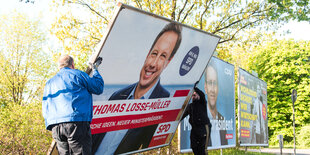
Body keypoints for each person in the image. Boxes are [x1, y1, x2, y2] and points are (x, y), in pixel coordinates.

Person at [92, 22, 182, 155]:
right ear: (147, 55)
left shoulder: (164, 102)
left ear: (168, 62)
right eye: (154, 53)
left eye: (163, 56)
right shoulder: (118, 95)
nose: (153, 64)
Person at [42, 55, 104, 155]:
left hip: (56, 126)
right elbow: (98, 87)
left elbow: (45, 106)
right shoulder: (77, 75)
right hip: (75, 123)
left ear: (59, 66)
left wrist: (51, 124)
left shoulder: (49, 83)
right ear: (73, 64)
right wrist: (95, 69)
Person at [204, 59, 228, 146]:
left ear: (218, 88)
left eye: (215, 83)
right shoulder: (200, 119)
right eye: (210, 83)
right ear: (205, 87)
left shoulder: (222, 120)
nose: (213, 89)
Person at [181, 87, 211, 155]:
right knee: (194, 147)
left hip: (203, 128)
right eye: (192, 95)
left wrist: (194, 87)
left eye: (195, 95)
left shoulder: (202, 102)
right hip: (194, 129)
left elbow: (202, 94)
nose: (193, 97)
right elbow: (181, 116)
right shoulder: (190, 106)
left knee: (202, 149)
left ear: (198, 96)